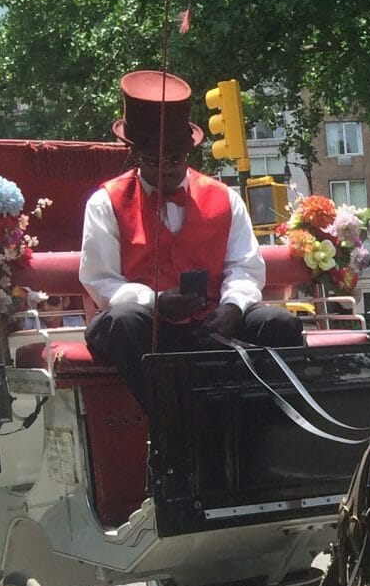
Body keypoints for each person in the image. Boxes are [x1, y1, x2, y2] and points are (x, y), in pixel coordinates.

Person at [81, 69, 303, 412]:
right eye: (153, 160)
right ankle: (175, 429)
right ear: (134, 155)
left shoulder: (224, 198)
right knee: (124, 321)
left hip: (213, 321)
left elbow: (244, 266)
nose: (166, 168)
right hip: (149, 328)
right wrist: (154, 301)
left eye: (175, 159)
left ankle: (266, 432)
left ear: (189, 153)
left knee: (280, 324)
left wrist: (232, 307)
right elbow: (101, 280)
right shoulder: (105, 202)